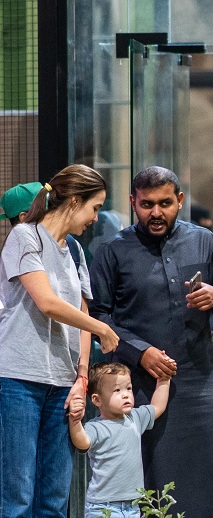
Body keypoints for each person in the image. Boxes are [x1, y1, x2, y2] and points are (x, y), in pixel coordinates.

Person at [88, 166, 213, 517]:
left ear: (180, 201)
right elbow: (99, 317)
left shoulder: (204, 241)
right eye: (147, 205)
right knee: (153, 485)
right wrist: (139, 353)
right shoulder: (112, 250)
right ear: (132, 202)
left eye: (165, 203)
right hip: (141, 390)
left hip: (202, 385)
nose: (156, 213)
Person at [0, 164, 120, 517]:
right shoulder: (25, 237)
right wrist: (102, 328)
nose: (96, 218)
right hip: (20, 380)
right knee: (19, 496)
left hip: (63, 385)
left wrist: (82, 377)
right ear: (72, 201)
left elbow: (81, 314)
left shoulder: (77, 252)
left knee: (54, 498)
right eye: (94, 207)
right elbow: (49, 303)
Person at [68, 362, 170, 518]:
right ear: (97, 400)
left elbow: (157, 407)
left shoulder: (134, 418)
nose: (125, 394)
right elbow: (82, 442)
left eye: (128, 388)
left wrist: (164, 379)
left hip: (134, 505)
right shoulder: (96, 427)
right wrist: (75, 421)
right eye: (117, 390)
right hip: (103, 506)